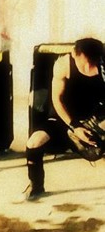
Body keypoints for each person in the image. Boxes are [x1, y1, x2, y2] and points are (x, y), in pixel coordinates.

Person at [18, 37, 105, 201]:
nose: (72, 54)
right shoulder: (64, 64)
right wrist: (75, 127)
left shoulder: (102, 67)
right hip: (64, 118)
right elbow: (57, 100)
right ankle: (36, 185)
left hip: (93, 117)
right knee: (34, 142)